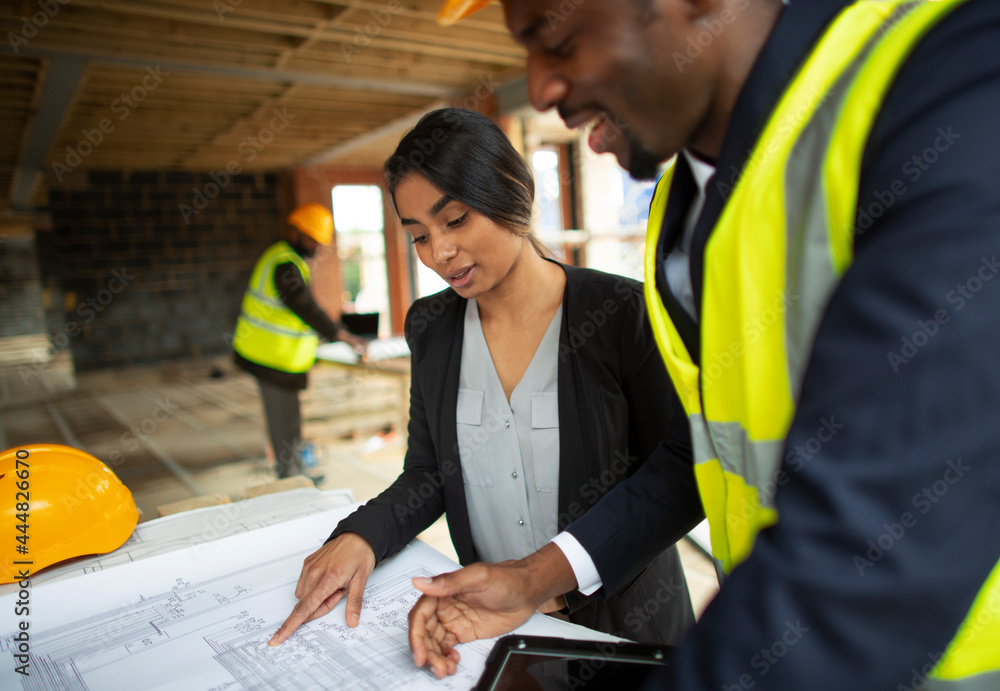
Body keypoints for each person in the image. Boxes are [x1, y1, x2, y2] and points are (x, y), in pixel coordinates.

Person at [407, 0, 1000, 688]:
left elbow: (881, 531)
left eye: (556, 37)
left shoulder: (941, 80)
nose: (538, 87)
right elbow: (705, 447)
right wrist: (536, 576)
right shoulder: (679, 209)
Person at [267, 108, 697, 648]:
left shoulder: (620, 314)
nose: (439, 253)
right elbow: (430, 472)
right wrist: (363, 535)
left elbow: (682, 476)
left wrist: (545, 581)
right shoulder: (431, 326)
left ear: (512, 195)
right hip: (493, 634)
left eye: (456, 220)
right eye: (418, 235)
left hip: (627, 632)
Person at [233, 203, 365, 480]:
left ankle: (296, 474)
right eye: (311, 240)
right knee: (284, 421)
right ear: (294, 232)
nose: (316, 247)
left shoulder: (288, 259)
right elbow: (303, 306)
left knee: (290, 421)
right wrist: (339, 333)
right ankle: (290, 481)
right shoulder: (284, 264)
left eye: (319, 242)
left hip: (280, 358)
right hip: (269, 358)